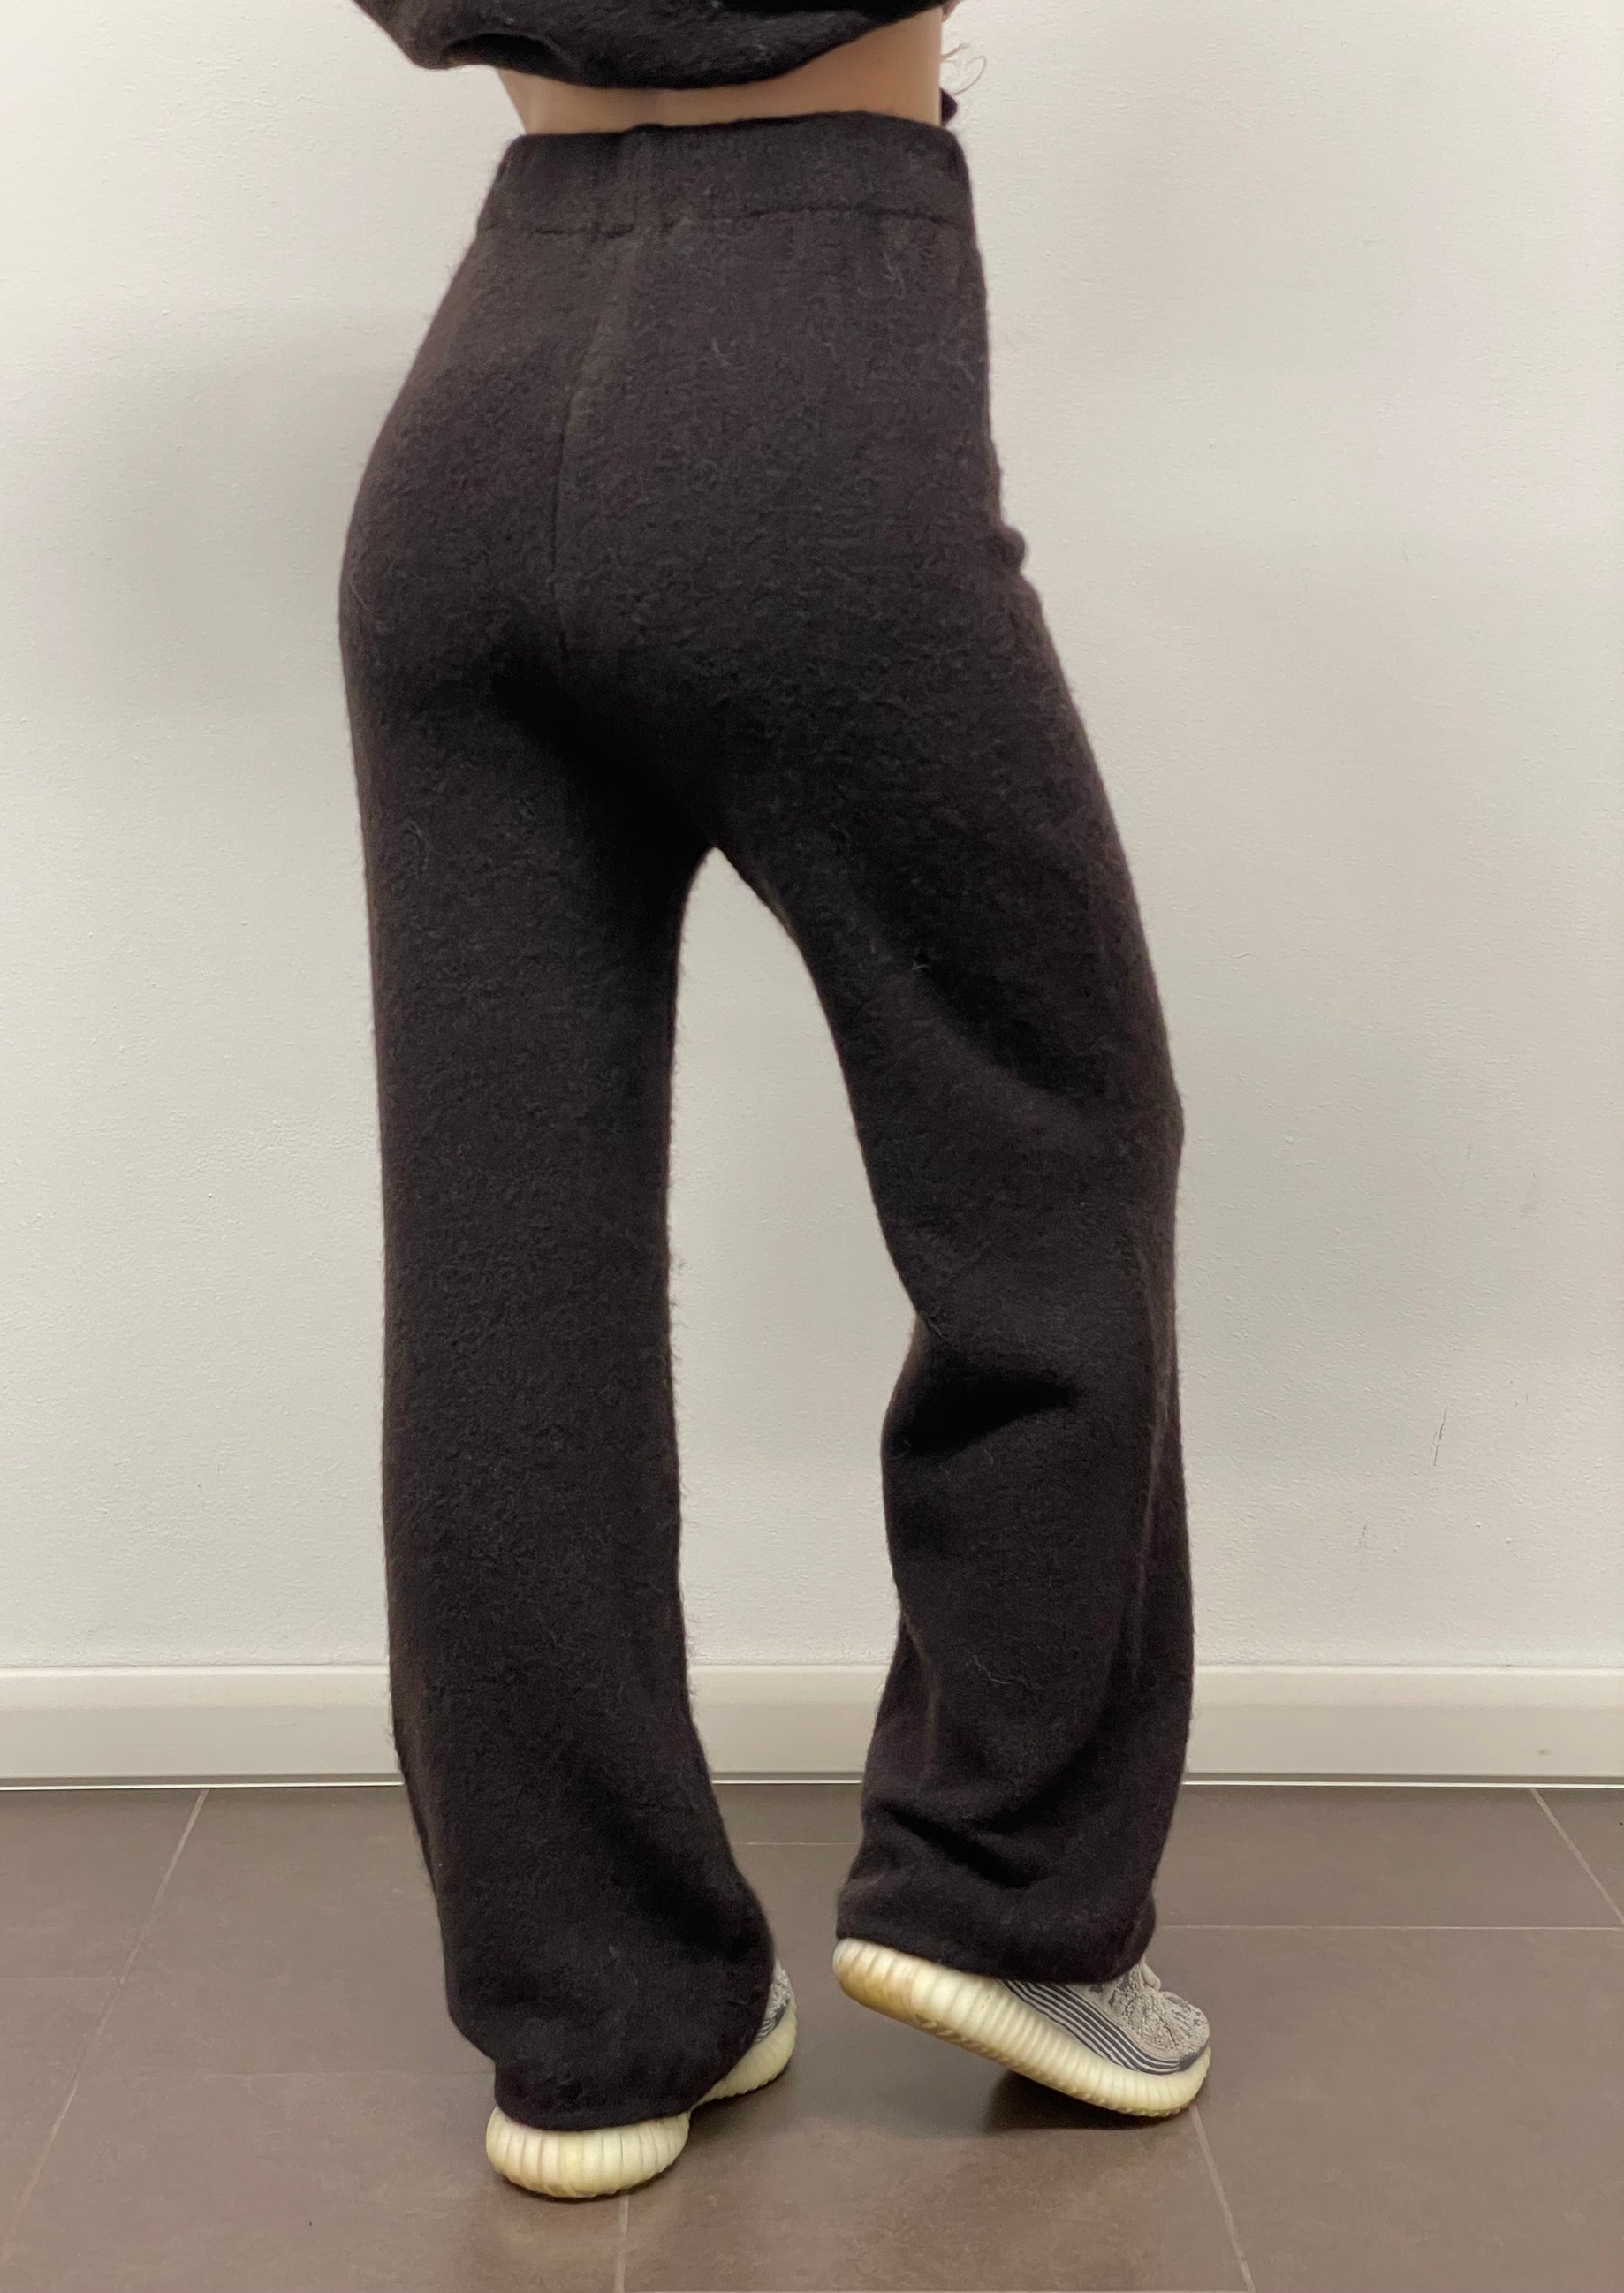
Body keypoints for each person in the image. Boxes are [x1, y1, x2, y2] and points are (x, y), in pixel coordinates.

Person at [338, 0, 1210, 2204]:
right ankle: (1003, 1891)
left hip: (472, 411)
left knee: (505, 1257)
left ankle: (594, 2015)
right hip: (811, 380)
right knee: (1049, 1134)